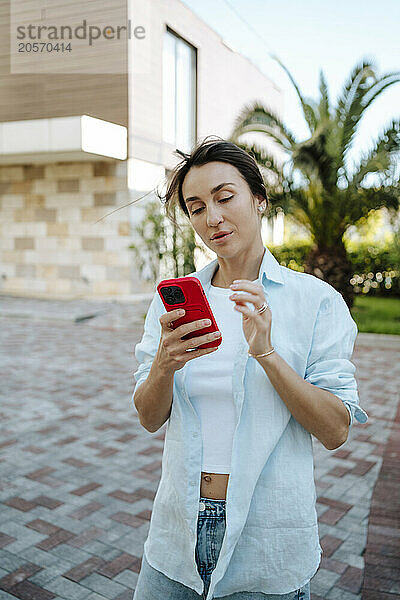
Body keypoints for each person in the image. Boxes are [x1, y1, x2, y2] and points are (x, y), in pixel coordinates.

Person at [131, 137, 369, 600]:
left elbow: (336, 429)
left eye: (224, 197)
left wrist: (266, 352)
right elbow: (148, 416)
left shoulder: (315, 302)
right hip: (175, 535)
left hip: (267, 542)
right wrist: (163, 364)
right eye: (196, 207)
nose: (212, 218)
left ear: (259, 199)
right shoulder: (174, 303)